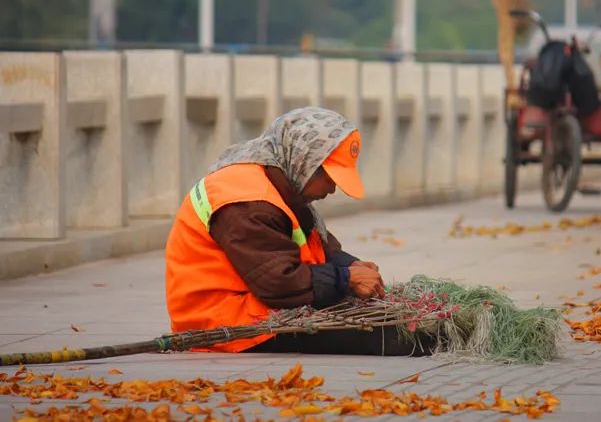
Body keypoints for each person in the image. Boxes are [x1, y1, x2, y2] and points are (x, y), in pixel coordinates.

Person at [165, 107, 420, 355]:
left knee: (398, 325)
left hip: (260, 306)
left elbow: (317, 246)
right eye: (329, 178)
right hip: (226, 321)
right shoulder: (248, 201)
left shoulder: (280, 184)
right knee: (391, 337)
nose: (331, 190)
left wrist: (352, 265)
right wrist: (345, 278)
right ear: (305, 162)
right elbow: (279, 283)